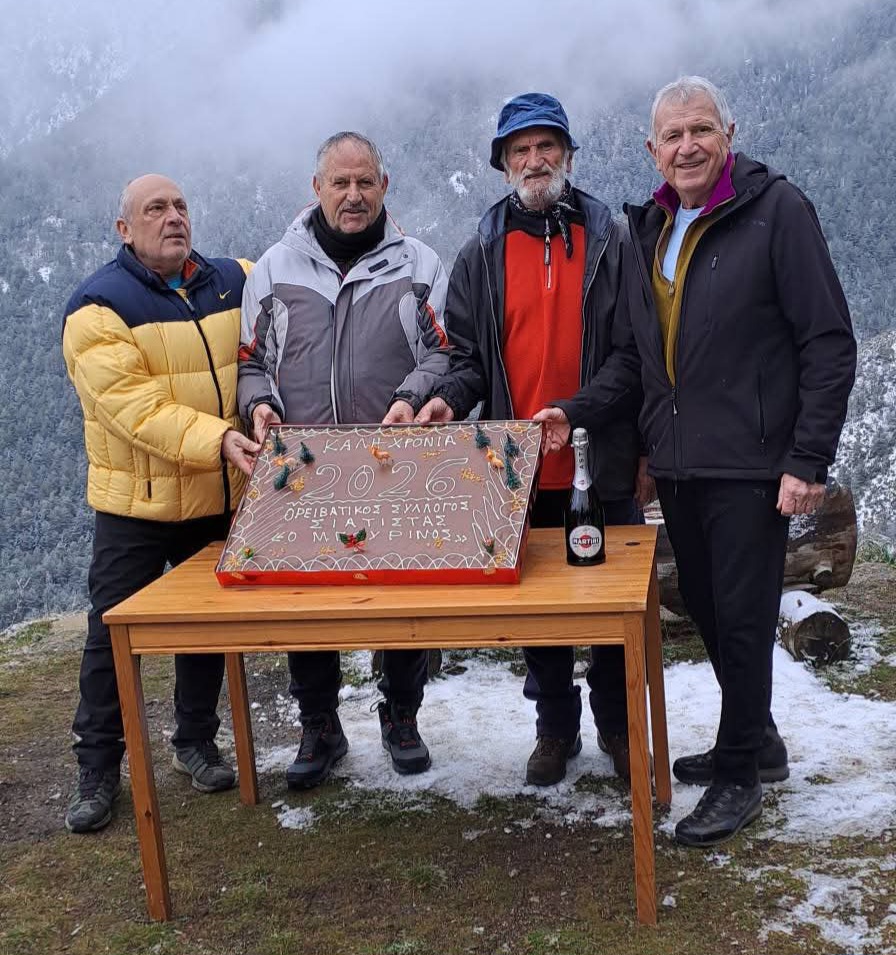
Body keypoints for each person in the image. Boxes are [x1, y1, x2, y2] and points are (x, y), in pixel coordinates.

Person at [536, 76, 856, 845]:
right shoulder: (651, 229)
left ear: (728, 135)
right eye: (673, 135)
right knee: (711, 610)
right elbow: (634, 358)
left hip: (752, 463)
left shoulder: (778, 211)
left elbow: (827, 342)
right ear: (653, 150)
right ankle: (759, 739)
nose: (688, 146)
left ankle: (741, 774)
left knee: (742, 619)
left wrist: (808, 459)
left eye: (701, 130)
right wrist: (575, 410)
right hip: (680, 465)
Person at [414, 93, 647, 787]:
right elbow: (468, 361)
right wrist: (445, 400)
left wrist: (574, 411)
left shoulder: (612, 241)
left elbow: (632, 356)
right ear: (503, 164)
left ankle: (618, 725)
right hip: (516, 470)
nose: (535, 160)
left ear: (568, 155)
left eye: (547, 146)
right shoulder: (481, 252)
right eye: (521, 150)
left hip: (602, 462)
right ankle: (554, 728)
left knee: (611, 608)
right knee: (538, 614)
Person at [238, 131, 450, 789]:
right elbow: (252, 361)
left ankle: (402, 714)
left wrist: (413, 396)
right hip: (305, 471)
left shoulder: (418, 264)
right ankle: (319, 724)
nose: (353, 195)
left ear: (384, 187)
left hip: (397, 464)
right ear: (317, 188)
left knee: (403, 594)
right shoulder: (274, 269)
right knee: (306, 602)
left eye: (365, 182)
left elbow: (446, 353)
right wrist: (258, 405)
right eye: (340, 182)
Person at [62, 174, 259, 833]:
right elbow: (133, 410)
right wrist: (220, 438)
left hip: (216, 496)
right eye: (155, 209)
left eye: (180, 206)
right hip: (137, 509)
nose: (173, 217)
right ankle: (97, 769)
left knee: (203, 632)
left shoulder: (233, 279)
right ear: (125, 229)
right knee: (111, 637)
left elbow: (283, 306)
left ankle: (195, 742)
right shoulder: (97, 308)